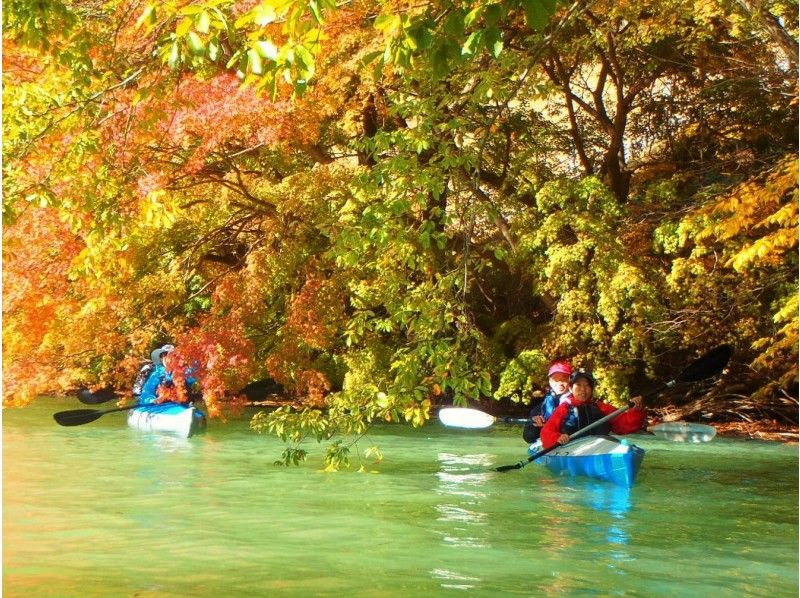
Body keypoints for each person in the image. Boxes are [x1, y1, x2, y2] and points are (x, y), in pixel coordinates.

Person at [539, 368, 646, 450]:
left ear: (592, 388)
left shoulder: (601, 407)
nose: (583, 390)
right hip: (571, 449)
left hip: (599, 448)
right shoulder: (563, 408)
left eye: (587, 385)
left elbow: (625, 425)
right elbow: (546, 432)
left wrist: (637, 410)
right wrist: (557, 438)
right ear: (571, 388)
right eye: (578, 385)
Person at [522, 360, 572, 443]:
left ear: (570, 381)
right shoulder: (540, 409)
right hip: (552, 446)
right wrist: (535, 426)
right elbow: (528, 438)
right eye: (556, 380)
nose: (560, 383)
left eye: (563, 379)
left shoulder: (578, 403)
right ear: (550, 382)